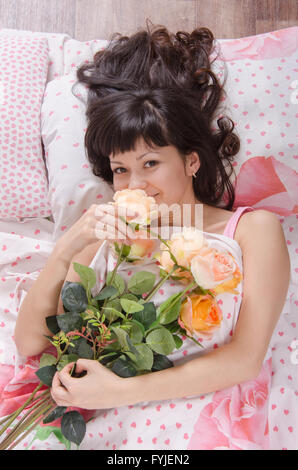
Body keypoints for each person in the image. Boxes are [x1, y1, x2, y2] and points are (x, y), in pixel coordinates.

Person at [14, 25, 290, 415]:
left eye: (151, 163)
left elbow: (246, 357)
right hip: (97, 411)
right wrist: (66, 248)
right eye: (121, 170)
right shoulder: (104, 232)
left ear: (191, 160)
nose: (136, 184)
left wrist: (121, 393)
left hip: (201, 409)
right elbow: (30, 344)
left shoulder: (251, 230)